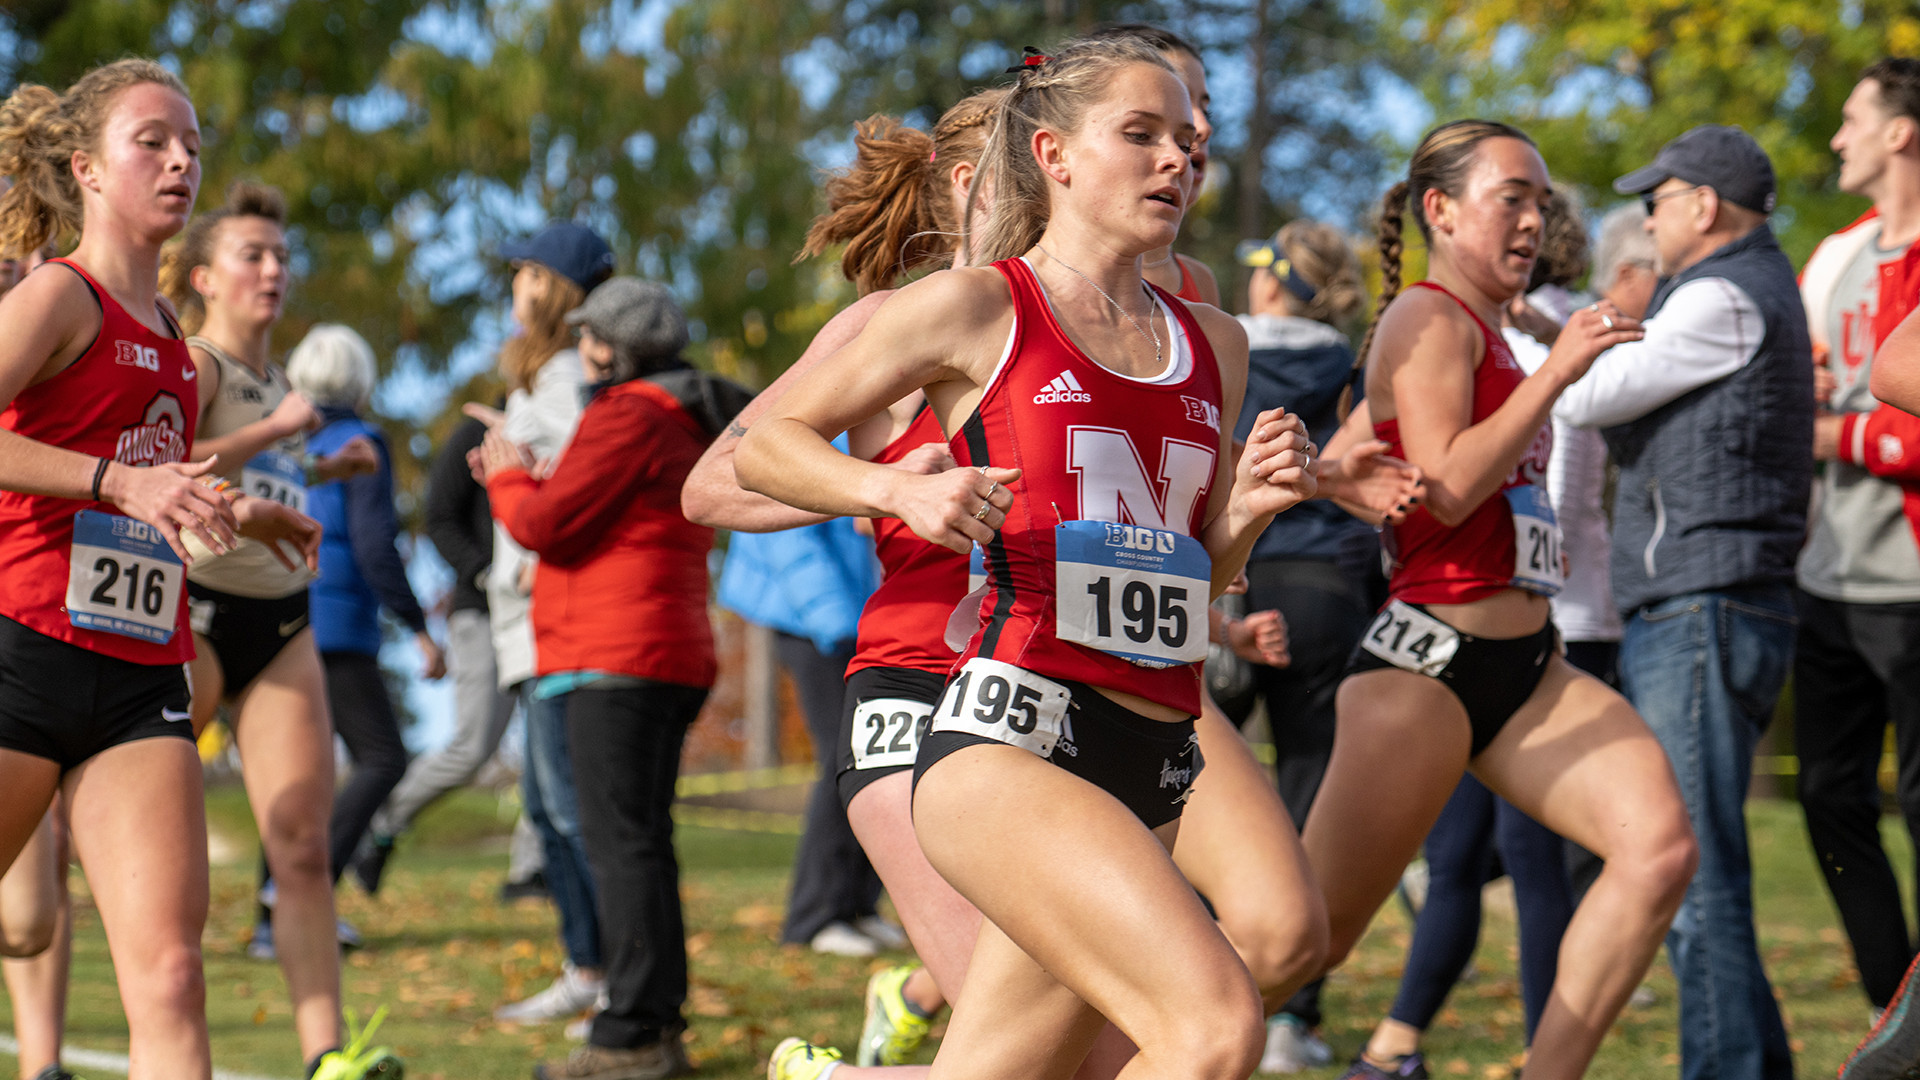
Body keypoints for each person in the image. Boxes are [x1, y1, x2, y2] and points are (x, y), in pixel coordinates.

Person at [736, 35, 1322, 1079]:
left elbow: (1196, 574)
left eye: (1187, 143)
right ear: (1051, 154)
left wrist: (1257, 508)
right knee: (1212, 1027)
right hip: (1008, 748)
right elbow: (766, 448)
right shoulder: (975, 308)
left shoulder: (1217, 344)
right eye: (1139, 136)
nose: (1175, 163)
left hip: (1155, 760)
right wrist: (895, 487)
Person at [1295, 119, 1698, 1080]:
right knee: (1295, 948)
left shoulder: (1489, 332)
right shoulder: (1427, 317)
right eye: (1511, 197)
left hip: (1526, 665)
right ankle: (1107, 1052)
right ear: (1441, 209)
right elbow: (1451, 480)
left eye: (1542, 202)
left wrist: (1333, 477)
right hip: (1424, 668)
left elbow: (1354, 452)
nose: (1533, 220)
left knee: (1658, 851)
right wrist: (1559, 370)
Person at [0, 57, 320, 1080]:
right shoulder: (59, 293)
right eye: (153, 141)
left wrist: (238, 507)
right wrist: (115, 483)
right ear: (88, 170)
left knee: (173, 979)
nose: (182, 159)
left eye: (192, 144)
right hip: (19, 653)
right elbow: (115, 480)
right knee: (24, 926)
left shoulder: (176, 341)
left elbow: (152, 479)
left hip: (140, 676)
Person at [1555, 124, 1813, 1080]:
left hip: (1702, 605)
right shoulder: (1741, 290)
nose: (1647, 219)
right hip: (1709, 603)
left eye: (1657, 201)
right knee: (1704, 863)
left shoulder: (1717, 296)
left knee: (1694, 872)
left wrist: (1573, 344)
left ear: (1703, 207)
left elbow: (1587, 396)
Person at [482, 275, 747, 1080]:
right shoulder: (679, 415)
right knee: (640, 843)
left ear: (610, 345)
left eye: (588, 338)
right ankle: (651, 1024)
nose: (580, 351)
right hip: (660, 649)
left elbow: (545, 526)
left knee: (621, 847)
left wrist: (505, 472)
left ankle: (632, 1032)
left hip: (615, 655)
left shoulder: (629, 413)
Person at [161, 180, 392, 1079]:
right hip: (200, 612)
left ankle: (327, 1055)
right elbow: (168, 468)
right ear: (206, 276)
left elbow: (273, 484)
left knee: (300, 841)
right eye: (253, 255)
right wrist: (285, 432)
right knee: (163, 853)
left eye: (281, 257)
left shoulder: (281, 380)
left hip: (284, 620)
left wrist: (330, 463)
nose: (273, 270)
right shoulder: (200, 364)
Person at [1225, 219, 1380, 1073]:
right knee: (1308, 793)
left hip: (1230, 575)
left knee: (1186, 794)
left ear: (1274, 281)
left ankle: (1183, 975)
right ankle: (1292, 1018)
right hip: (1323, 584)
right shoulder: (1349, 366)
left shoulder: (1219, 345)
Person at [1793, 56, 1920, 1024]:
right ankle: (1896, 1006)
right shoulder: (1833, 257)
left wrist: (1850, 434)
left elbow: (1847, 423)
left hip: (1913, 581)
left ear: (1901, 131)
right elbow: (1788, 400)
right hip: (1826, 577)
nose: (1838, 137)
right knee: (1832, 800)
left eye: (1851, 118)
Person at [475, 222, 613, 1024]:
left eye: (527, 269)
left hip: (552, 619)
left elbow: (582, 475)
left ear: (555, 286)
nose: (516, 285)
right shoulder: (539, 380)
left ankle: (603, 972)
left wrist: (519, 471)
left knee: (569, 810)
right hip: (523, 623)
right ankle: (584, 964)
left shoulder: (567, 377)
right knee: (550, 809)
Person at [284, 323, 446, 936]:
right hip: (339, 623)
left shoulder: (291, 448)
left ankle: (280, 909)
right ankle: (303, 899)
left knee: (302, 774)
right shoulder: (360, 443)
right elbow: (377, 544)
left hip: (288, 616)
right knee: (382, 756)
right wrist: (418, 627)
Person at [351, 405, 523, 896]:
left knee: (559, 749)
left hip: (550, 611)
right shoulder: (475, 432)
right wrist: (486, 574)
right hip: (482, 611)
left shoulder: (568, 425)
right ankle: (382, 825)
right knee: (473, 746)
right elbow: (440, 520)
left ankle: (535, 872)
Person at [715, 518, 899, 957]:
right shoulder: (812, 446)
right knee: (844, 756)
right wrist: (837, 620)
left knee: (873, 757)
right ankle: (814, 917)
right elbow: (785, 535)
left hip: (856, 618)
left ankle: (857, 906)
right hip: (818, 621)